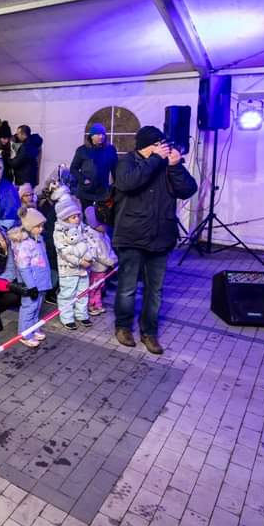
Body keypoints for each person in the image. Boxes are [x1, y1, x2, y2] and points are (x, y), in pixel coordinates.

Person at [111, 126, 198, 355]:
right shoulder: (127, 162)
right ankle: (123, 327)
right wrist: (155, 160)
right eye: (159, 144)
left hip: (161, 236)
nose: (164, 148)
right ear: (148, 146)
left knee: (155, 290)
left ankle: (149, 332)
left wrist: (176, 166)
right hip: (131, 235)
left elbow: (188, 190)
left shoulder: (166, 165)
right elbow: (128, 183)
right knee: (127, 288)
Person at [9, 208, 51, 348]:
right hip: (31, 284)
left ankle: (33, 328)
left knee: (37, 307)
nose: (41, 229)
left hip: (40, 281)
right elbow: (23, 267)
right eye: (37, 226)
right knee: (29, 308)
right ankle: (25, 334)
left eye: (42, 226)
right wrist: (31, 286)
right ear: (29, 226)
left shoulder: (38, 239)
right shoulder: (24, 244)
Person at [53, 195, 97, 330]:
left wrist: (90, 258)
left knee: (83, 292)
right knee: (68, 293)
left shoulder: (82, 228)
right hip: (68, 269)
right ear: (65, 218)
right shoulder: (59, 232)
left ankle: (82, 315)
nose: (77, 219)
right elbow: (64, 252)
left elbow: (91, 243)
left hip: (84, 269)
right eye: (73, 217)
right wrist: (79, 261)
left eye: (78, 216)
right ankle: (67, 317)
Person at [71, 123, 119, 211]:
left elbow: (115, 169)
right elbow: (73, 168)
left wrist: (116, 186)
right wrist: (83, 180)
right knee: (87, 215)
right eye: (98, 134)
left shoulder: (110, 149)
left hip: (103, 192)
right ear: (91, 136)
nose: (101, 137)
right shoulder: (82, 150)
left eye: (103, 134)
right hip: (86, 191)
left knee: (102, 215)